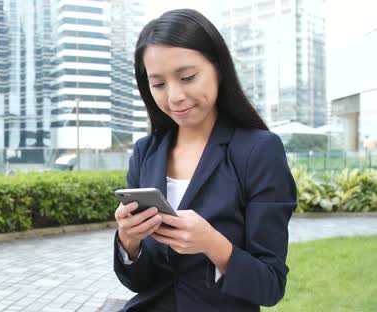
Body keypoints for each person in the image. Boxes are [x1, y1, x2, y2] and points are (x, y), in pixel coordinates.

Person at [113, 9, 297, 311]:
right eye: (158, 84)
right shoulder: (146, 152)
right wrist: (129, 243)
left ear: (219, 68)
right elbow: (141, 283)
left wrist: (213, 244)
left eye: (187, 77)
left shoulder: (258, 151)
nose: (174, 97)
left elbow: (270, 286)